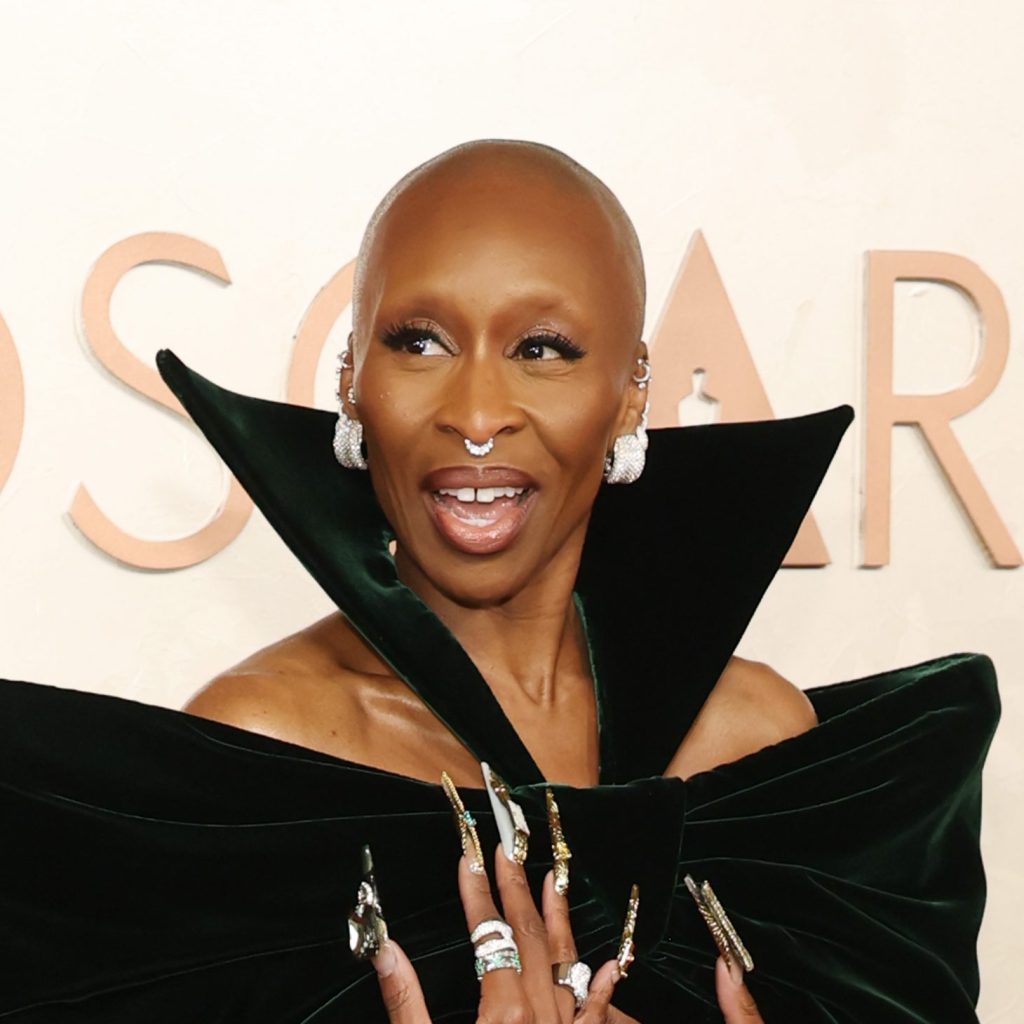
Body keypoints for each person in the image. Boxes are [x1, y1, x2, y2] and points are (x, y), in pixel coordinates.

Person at [0, 140, 997, 1023]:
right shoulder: (261, 759)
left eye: (542, 349)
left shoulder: (763, 751)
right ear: (351, 379)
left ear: (630, 393)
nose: (477, 414)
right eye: (419, 342)